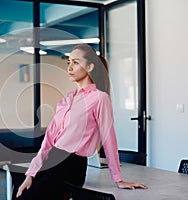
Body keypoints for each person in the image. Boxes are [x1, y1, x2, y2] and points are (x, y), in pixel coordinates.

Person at [13, 44, 148, 200]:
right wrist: (31, 172)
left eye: (75, 62)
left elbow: (109, 139)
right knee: (19, 190)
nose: (70, 67)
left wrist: (118, 179)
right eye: (69, 62)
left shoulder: (99, 98)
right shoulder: (66, 100)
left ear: (90, 66)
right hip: (50, 160)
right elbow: (48, 141)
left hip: (70, 166)